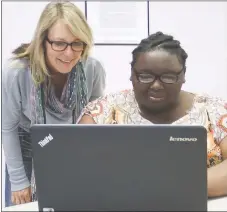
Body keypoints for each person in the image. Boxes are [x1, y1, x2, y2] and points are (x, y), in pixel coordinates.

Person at [78, 31, 227, 198]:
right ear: (132, 74)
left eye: (168, 77)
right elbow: (77, 161)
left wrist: (169, 187)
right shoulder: (103, 110)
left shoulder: (213, 110)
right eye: (145, 76)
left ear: (183, 75)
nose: (156, 85)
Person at [2, 1, 106, 206]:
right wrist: (18, 180)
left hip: (72, 146)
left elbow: (96, 118)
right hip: (28, 148)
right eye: (59, 43)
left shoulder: (93, 69)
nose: (69, 53)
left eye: (77, 43)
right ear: (43, 41)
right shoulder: (16, 72)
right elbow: (8, 128)